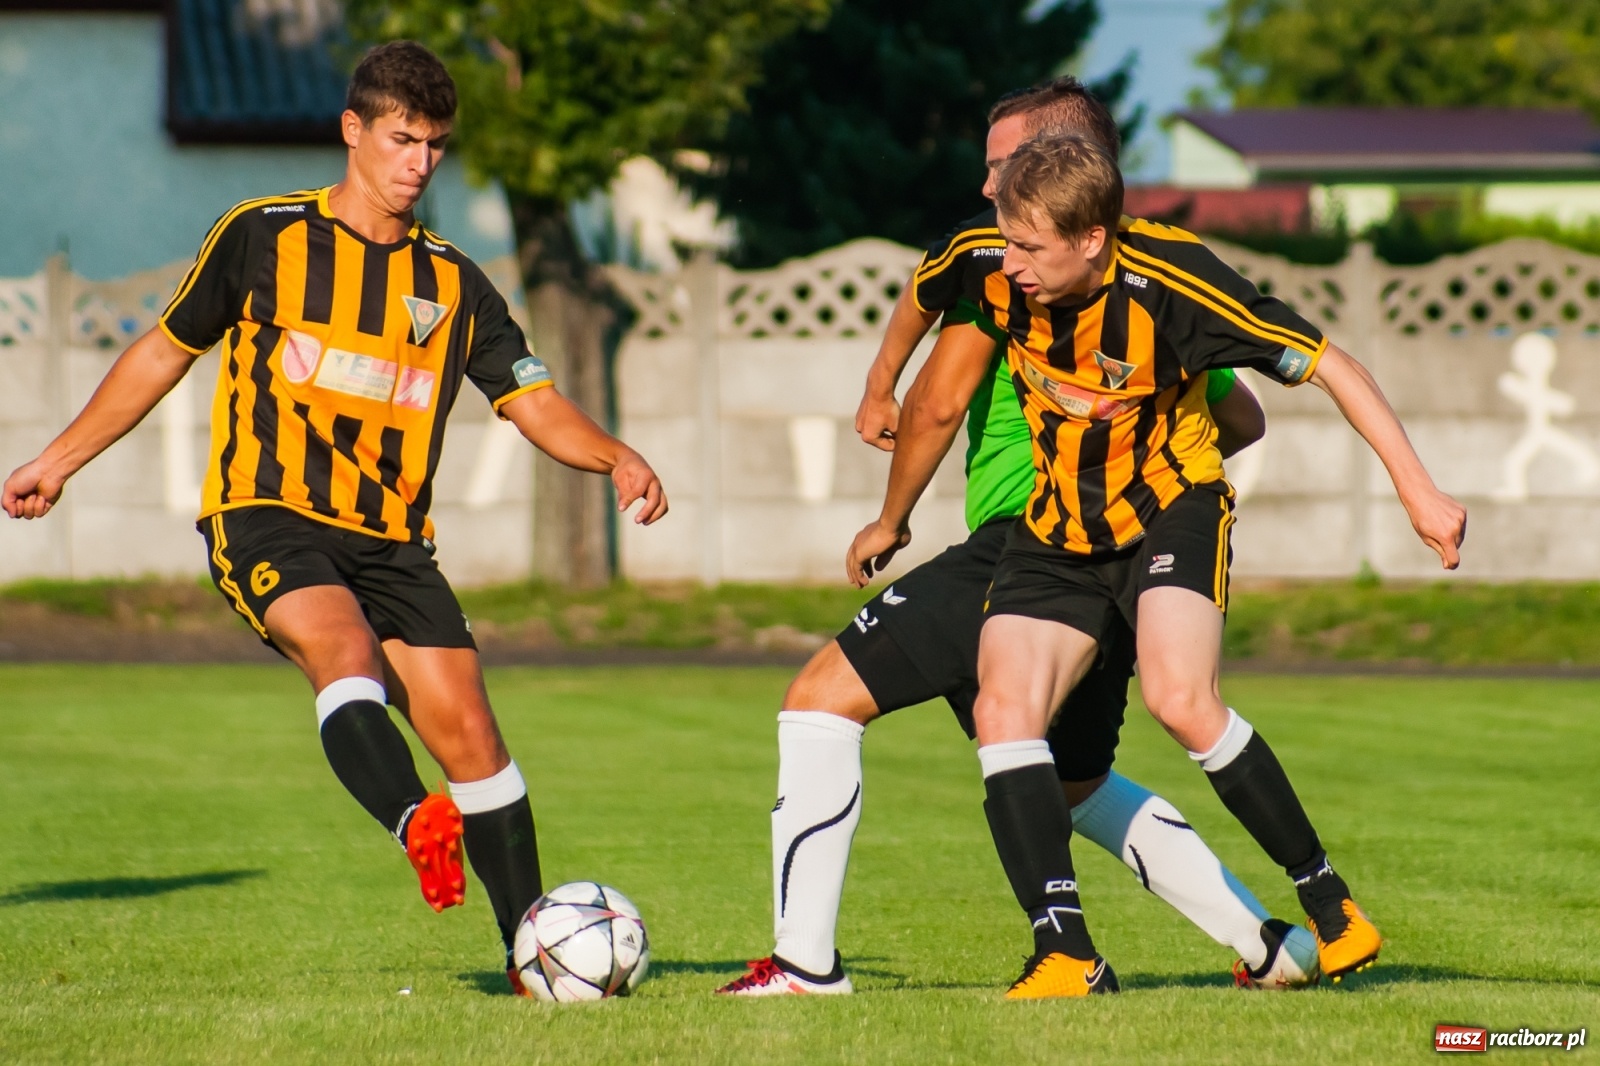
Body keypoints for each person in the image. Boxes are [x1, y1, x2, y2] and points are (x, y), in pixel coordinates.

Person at [1, 42, 667, 995]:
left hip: (392, 542)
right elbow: (161, 353)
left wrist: (617, 454)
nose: (419, 163)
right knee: (343, 651)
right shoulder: (261, 236)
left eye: (436, 145)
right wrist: (55, 462)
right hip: (266, 513)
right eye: (402, 139)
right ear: (353, 131)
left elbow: (533, 402)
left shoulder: (458, 285)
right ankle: (415, 823)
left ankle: (532, 959)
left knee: (474, 739)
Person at [716, 79, 1315, 999]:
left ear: (1064, 169)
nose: (987, 188)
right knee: (1068, 783)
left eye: (1003, 166)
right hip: (1118, 557)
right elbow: (1242, 420)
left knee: (818, 700)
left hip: (1024, 547)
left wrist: (891, 515)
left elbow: (940, 402)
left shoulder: (1018, 276)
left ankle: (805, 966)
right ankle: (1267, 943)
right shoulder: (1144, 294)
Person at [954, 131, 1466, 997]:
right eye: (1007, 240)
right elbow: (923, 293)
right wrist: (883, 382)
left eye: (1030, 248)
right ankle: (1066, 956)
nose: (1010, 263)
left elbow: (1331, 363)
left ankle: (1331, 906)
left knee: (1180, 700)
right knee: (1003, 708)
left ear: (1092, 238)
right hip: (1057, 525)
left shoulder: (1181, 286)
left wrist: (1417, 490)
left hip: (1169, 510)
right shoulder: (987, 259)